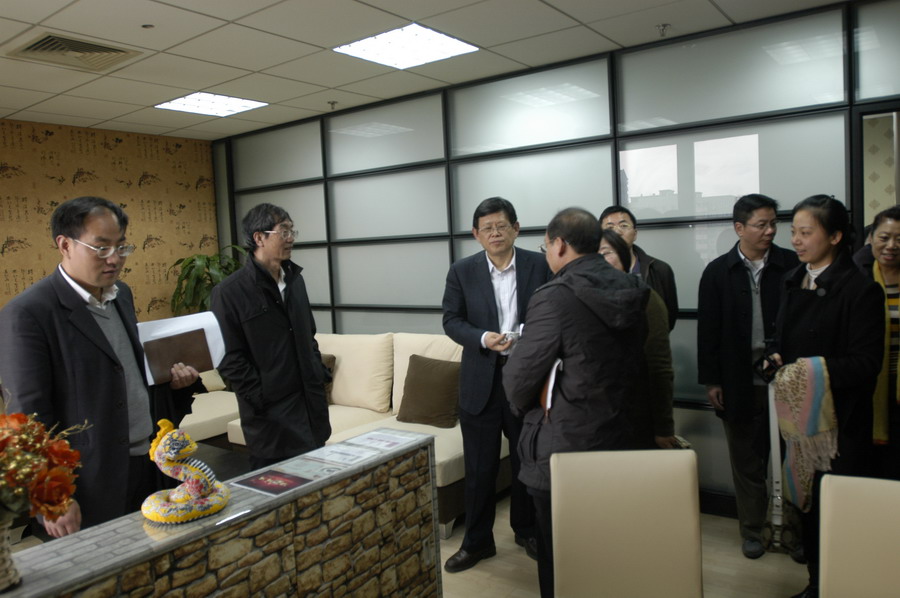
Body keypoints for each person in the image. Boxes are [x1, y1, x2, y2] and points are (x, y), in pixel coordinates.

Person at [0, 196, 202, 537]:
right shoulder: (28, 313)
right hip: (88, 479)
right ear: (65, 244)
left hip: (146, 460)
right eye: (101, 247)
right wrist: (53, 496)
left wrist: (170, 382)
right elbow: (28, 418)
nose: (115, 259)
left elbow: (123, 371)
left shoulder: (120, 294)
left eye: (121, 247)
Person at [504, 208, 648, 597]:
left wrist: (526, 408)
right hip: (623, 438)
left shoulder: (555, 297)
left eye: (546, 246)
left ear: (559, 245)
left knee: (561, 556)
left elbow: (518, 379)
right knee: (609, 549)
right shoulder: (633, 288)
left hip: (566, 446)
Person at [769, 195, 883, 598]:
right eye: (794, 232)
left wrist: (808, 370)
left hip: (838, 423)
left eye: (806, 232)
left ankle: (840, 584)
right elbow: (783, 340)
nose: (796, 240)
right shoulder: (793, 279)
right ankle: (816, 583)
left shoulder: (860, 289)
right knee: (809, 505)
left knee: (836, 507)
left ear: (835, 237)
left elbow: (867, 363)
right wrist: (773, 359)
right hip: (801, 419)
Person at [441, 197, 551, 573]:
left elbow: (554, 313)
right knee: (479, 469)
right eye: (487, 228)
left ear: (516, 228)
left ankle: (527, 531)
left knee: (526, 462)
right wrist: (483, 337)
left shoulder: (540, 265)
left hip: (527, 379)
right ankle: (477, 543)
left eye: (501, 225)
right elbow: (451, 320)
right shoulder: (462, 271)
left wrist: (529, 336)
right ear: (476, 234)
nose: (495, 233)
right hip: (481, 381)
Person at [696, 194, 801, 560]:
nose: (770, 231)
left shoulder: (792, 265)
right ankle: (754, 530)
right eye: (761, 224)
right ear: (739, 228)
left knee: (792, 461)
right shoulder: (717, 272)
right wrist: (712, 380)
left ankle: (794, 532)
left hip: (787, 380)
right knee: (746, 461)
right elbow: (708, 330)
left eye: (773, 223)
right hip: (738, 380)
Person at [211, 203, 331, 470]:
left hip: (311, 411)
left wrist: (317, 373)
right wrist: (261, 396)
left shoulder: (295, 281)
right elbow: (228, 358)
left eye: (292, 231)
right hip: (271, 420)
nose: (291, 239)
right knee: (277, 489)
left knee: (318, 484)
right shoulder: (229, 292)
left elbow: (308, 335)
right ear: (259, 237)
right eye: (284, 231)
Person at [599, 229, 677, 449]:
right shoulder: (578, 298)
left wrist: (664, 427)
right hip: (593, 418)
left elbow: (659, 367)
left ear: (624, 258)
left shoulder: (647, 298)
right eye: (593, 255)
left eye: (606, 253)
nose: (600, 261)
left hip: (635, 412)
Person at [853, 206, 900, 480]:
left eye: (899, 239)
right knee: (875, 468)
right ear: (871, 238)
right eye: (884, 237)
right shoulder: (857, 278)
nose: (891, 245)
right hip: (869, 388)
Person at [599, 205, 678, 330]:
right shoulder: (591, 270)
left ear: (635, 234)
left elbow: (669, 317)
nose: (617, 232)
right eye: (610, 227)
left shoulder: (660, 269)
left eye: (623, 226)